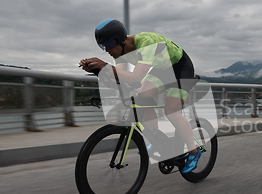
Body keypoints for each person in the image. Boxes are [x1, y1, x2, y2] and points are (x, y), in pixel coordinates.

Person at [79, 19, 201, 173]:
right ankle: (157, 138)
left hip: (180, 68)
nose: (106, 49)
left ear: (120, 39)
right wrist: (98, 71)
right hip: (162, 70)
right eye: (102, 46)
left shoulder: (146, 42)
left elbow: (136, 77)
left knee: (171, 111)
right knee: (140, 98)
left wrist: (105, 66)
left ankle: (194, 152)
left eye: (108, 43)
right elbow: (121, 80)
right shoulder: (119, 53)